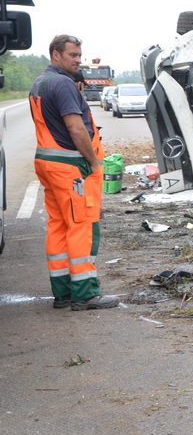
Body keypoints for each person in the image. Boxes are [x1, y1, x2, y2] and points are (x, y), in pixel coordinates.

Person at [29, 35, 118, 310]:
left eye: (80, 55)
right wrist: (93, 162)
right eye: (73, 55)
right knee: (81, 225)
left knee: (58, 225)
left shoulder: (40, 83)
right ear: (56, 55)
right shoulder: (63, 84)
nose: (78, 60)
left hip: (48, 163)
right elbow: (76, 128)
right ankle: (85, 294)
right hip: (71, 167)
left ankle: (63, 291)